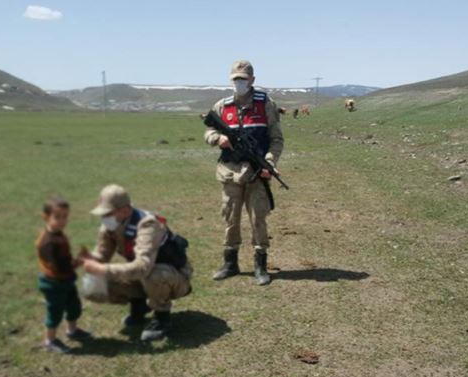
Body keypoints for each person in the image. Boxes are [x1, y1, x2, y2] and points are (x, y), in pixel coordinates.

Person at [204, 60, 285, 286]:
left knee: (258, 217)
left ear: (252, 80)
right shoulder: (222, 105)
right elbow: (209, 130)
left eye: (243, 79)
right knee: (230, 217)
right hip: (229, 173)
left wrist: (269, 161)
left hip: (256, 174)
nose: (239, 83)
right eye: (236, 79)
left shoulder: (266, 104)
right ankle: (230, 263)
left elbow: (276, 139)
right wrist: (216, 138)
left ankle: (260, 265)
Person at [82, 184, 192, 341]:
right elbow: (101, 255)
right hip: (143, 277)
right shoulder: (110, 226)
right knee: (92, 285)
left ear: (125, 210)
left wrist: (103, 269)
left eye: (108, 213)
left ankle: (162, 318)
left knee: (155, 274)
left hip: (174, 277)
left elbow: (143, 267)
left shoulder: (148, 225)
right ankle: (139, 305)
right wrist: (84, 263)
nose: (104, 218)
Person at [35, 197, 92, 353]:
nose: (62, 221)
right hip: (53, 284)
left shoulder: (58, 234)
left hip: (66, 281)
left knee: (73, 306)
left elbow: (64, 263)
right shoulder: (48, 242)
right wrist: (79, 261)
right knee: (55, 311)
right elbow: (60, 268)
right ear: (46, 217)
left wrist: (77, 260)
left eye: (65, 216)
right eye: (57, 217)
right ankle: (50, 340)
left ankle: (72, 331)